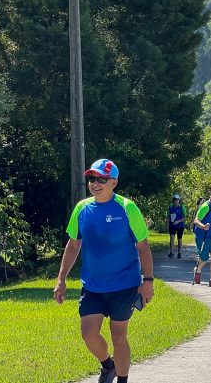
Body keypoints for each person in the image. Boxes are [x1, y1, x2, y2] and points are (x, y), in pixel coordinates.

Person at [53, 158, 154, 383]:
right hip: (93, 285)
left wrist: (147, 281)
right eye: (92, 178)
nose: (95, 183)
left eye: (101, 179)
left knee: (119, 336)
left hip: (124, 285)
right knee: (88, 334)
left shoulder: (127, 208)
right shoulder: (82, 208)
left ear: (113, 183)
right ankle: (108, 366)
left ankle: (122, 380)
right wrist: (61, 279)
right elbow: (73, 244)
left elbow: (143, 247)